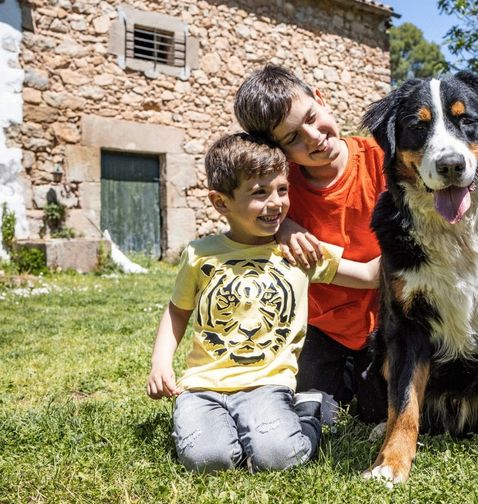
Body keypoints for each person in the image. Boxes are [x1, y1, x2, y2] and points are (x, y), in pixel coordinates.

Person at [146, 133, 380, 473]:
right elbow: (177, 311)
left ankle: (306, 412)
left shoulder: (300, 252)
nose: (276, 203)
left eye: (282, 190)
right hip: (203, 386)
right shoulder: (200, 254)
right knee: (208, 461)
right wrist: (160, 362)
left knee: (279, 458)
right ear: (221, 202)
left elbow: (370, 275)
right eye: (260, 193)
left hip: (267, 385)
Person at [233, 65, 387, 423]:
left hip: (386, 322)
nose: (315, 138)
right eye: (292, 138)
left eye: (313, 118)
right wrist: (281, 224)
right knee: (317, 415)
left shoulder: (381, 160)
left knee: (377, 413)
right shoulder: (280, 191)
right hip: (319, 326)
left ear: (320, 98)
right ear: (278, 150)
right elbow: (241, 212)